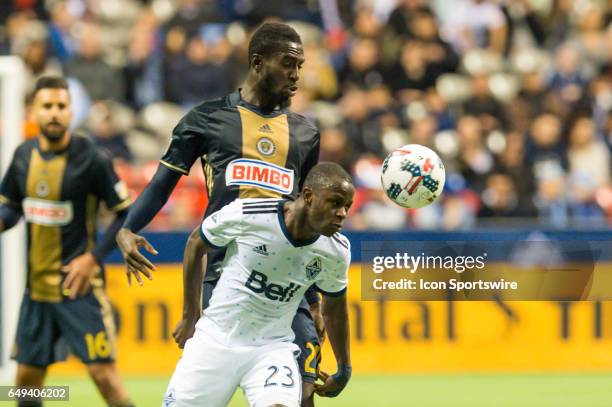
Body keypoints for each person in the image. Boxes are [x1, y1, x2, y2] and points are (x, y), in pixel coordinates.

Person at [115, 22, 324, 405]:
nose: (296, 74)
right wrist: (127, 227)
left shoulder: (305, 134)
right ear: (258, 62)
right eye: (288, 64)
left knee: (302, 393)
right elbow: (163, 183)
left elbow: (304, 223)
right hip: (221, 278)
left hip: (286, 285)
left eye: (301, 65)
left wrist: (314, 299)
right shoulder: (207, 119)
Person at [167, 162, 354, 406]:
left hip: (272, 348)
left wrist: (344, 367)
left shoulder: (336, 251)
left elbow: (334, 308)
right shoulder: (250, 214)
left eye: (347, 207)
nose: (342, 213)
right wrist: (190, 315)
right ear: (308, 196)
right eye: (336, 202)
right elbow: (195, 243)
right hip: (215, 341)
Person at [0, 76, 133, 407]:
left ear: (71, 111)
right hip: (37, 293)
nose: (55, 113)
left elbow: (126, 214)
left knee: (106, 378)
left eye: (62, 106)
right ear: (33, 111)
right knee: (25, 385)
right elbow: (12, 209)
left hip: (79, 290)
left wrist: (93, 259)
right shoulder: (22, 156)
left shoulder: (92, 158)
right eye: (48, 106)